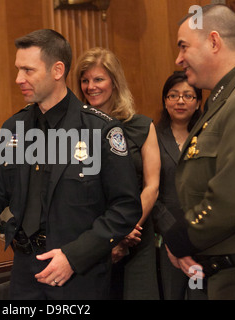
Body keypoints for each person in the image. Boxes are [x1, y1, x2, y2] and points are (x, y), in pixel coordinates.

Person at [0, 29, 142, 300]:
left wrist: (73, 257)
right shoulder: (15, 128)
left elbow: (125, 208)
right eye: (18, 69)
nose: (18, 79)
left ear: (57, 70)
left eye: (28, 70)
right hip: (24, 272)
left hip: (79, 275)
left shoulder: (100, 130)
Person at [163, 4, 235, 300]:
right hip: (220, 271)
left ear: (213, 42)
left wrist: (180, 238)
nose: (179, 59)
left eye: (184, 47)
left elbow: (234, 198)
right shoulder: (223, 102)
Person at [75, 47, 161, 300]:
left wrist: (126, 230)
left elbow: (152, 186)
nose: (91, 86)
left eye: (98, 79)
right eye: (85, 80)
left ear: (115, 82)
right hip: (91, 238)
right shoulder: (75, 129)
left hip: (136, 235)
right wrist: (108, 237)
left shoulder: (142, 126)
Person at [152, 71, 206, 299]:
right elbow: (147, 188)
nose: (180, 101)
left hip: (204, 233)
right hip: (165, 235)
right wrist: (169, 228)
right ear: (165, 101)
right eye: (173, 95)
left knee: (200, 294)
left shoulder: (209, 135)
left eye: (188, 96)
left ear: (199, 102)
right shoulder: (151, 135)